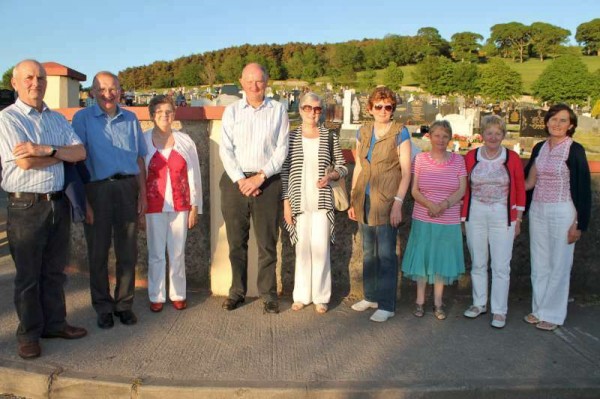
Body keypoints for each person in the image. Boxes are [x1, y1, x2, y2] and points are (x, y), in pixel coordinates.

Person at [0, 59, 87, 359]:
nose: (35, 83)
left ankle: (55, 324)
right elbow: (23, 162)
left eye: (40, 78)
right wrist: (60, 156)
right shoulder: (7, 120)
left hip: (56, 203)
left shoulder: (57, 120)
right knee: (28, 275)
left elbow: (80, 152)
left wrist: (45, 150)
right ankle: (28, 334)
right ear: (15, 82)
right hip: (26, 206)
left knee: (54, 271)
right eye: (28, 78)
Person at [72, 71, 147, 329]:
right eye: (102, 89)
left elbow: (139, 159)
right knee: (98, 253)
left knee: (127, 252)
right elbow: (78, 162)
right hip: (97, 190)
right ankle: (103, 307)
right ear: (92, 92)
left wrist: (143, 198)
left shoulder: (131, 118)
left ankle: (124, 304)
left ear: (120, 91)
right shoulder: (82, 119)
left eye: (113, 88)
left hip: (127, 189)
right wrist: (86, 202)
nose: (108, 94)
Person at [219, 63, 289, 314]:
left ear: (266, 81)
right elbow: (225, 149)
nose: (254, 85)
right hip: (234, 182)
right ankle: (237, 292)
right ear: (241, 82)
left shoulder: (278, 110)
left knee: (267, 243)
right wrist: (241, 180)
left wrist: (260, 177)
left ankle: (268, 294)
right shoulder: (232, 111)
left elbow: (282, 149)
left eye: (258, 81)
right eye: (249, 81)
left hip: (267, 183)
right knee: (236, 242)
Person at [524, 104, 591, 331]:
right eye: (553, 119)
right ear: (547, 121)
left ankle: (552, 313)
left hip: (563, 210)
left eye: (563, 120)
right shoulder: (540, 147)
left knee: (559, 264)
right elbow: (529, 182)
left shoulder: (575, 150)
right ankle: (538, 309)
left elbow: (582, 188)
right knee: (539, 262)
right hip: (538, 210)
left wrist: (579, 224)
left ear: (571, 125)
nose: (557, 124)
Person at [348, 87, 411, 322]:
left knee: (386, 253)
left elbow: (406, 173)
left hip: (387, 200)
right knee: (367, 251)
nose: (384, 111)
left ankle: (387, 304)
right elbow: (358, 166)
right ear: (370, 108)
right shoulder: (363, 132)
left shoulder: (400, 133)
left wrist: (398, 203)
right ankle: (371, 295)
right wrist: (354, 197)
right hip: (364, 198)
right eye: (379, 106)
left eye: (389, 107)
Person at [281, 92, 347, 314]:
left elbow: (342, 166)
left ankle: (321, 296)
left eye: (317, 109)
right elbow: (284, 172)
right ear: (300, 110)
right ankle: (301, 295)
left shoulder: (330, 137)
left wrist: (331, 176)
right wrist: (286, 203)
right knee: (302, 250)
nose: (312, 112)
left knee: (321, 250)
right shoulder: (290, 137)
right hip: (299, 202)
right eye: (308, 108)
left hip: (322, 202)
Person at [461, 115, 526, 328]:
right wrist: (463, 217)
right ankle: (479, 303)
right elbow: (464, 187)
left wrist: (518, 218)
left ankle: (499, 310)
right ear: (482, 134)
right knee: (478, 262)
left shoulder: (512, 157)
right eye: (489, 133)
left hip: (502, 215)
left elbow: (519, 187)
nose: (493, 137)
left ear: (503, 136)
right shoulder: (471, 156)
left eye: (498, 133)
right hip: (476, 213)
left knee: (500, 265)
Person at [142, 95, 202, 312]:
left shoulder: (185, 141)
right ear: (151, 116)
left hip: (180, 204)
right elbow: (137, 174)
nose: (164, 116)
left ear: (174, 114)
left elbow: (194, 174)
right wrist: (138, 207)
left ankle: (178, 293)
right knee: (156, 253)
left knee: (177, 252)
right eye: (159, 112)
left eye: (168, 111)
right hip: (152, 205)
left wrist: (195, 207)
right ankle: (156, 295)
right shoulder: (143, 139)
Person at [402, 120, 466, 320]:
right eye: (437, 135)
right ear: (430, 137)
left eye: (445, 136)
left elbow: (462, 189)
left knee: (441, 260)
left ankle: (438, 302)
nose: (441, 140)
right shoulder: (420, 159)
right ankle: (420, 301)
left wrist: (443, 206)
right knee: (423, 259)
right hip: (424, 217)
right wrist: (431, 206)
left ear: (450, 139)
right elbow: (414, 190)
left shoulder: (458, 160)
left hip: (448, 219)